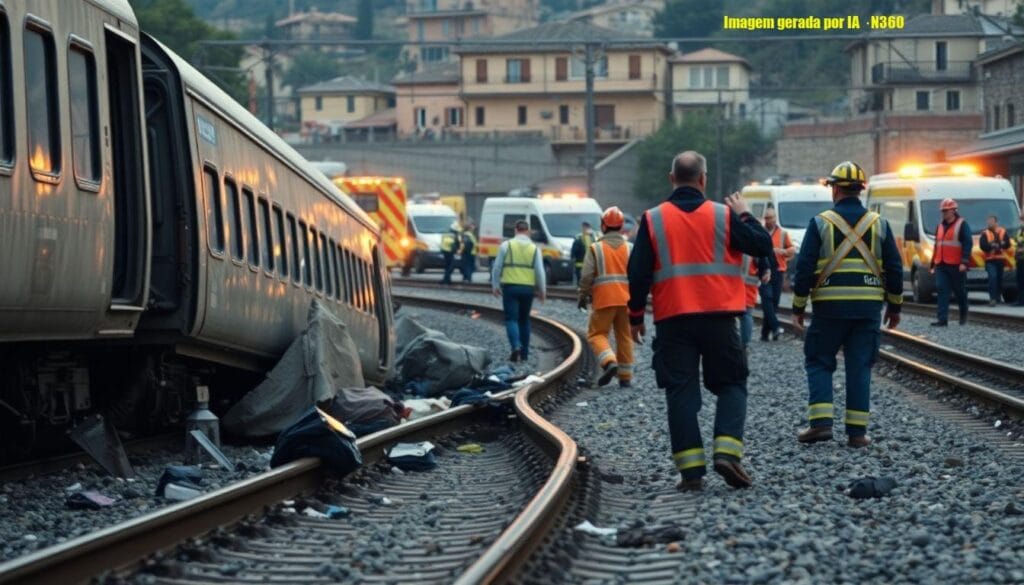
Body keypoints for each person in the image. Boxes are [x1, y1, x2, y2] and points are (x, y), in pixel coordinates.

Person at [628, 150, 772, 491]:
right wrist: (746, 214)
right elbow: (762, 244)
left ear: (672, 178)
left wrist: (635, 316)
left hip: (673, 320)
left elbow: (637, 274)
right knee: (733, 384)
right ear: (703, 180)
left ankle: (692, 473)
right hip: (720, 319)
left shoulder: (653, 219)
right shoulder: (724, 216)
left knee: (680, 393)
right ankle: (727, 452)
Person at [791, 161, 903, 449]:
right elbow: (894, 267)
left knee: (819, 359)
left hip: (830, 308)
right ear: (860, 191)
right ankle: (857, 433)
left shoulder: (820, 223)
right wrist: (895, 307)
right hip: (868, 309)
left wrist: (798, 307)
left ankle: (821, 424)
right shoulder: (880, 224)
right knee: (860, 365)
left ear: (836, 189)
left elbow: (803, 269)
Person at [578, 207, 634, 388]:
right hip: (627, 300)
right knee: (624, 336)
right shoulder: (630, 248)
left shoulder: (596, 248)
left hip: (604, 299)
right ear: (621, 226)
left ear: (603, 226)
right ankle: (625, 377)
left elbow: (587, 276)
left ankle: (609, 362)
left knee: (597, 334)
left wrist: (583, 295)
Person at [492, 220, 546, 363]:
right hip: (528, 289)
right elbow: (540, 272)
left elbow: (497, 267)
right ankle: (525, 354)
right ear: (528, 231)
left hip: (510, 287)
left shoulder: (506, 245)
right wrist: (542, 290)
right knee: (524, 320)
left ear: (515, 230)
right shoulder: (535, 248)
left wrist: (495, 285)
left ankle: (516, 346)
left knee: (511, 319)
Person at [929, 198, 971, 326]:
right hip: (941, 264)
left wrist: (964, 262)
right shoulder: (940, 226)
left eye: (946, 210)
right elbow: (937, 245)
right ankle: (942, 319)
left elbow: (967, 243)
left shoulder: (962, 224)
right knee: (942, 289)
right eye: (943, 211)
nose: (944, 213)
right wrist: (932, 264)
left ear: (953, 210)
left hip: (956, 265)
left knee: (959, 291)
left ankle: (964, 312)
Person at [760, 208, 796, 341]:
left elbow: (791, 249)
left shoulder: (782, 233)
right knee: (767, 300)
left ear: (775, 218)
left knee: (774, 302)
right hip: (763, 271)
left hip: (778, 270)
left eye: (771, 218)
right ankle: (775, 328)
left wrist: (781, 252)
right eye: (766, 218)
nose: (768, 220)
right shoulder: (760, 232)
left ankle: (765, 333)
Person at [980, 214, 1010, 306]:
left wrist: (1000, 244)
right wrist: (991, 245)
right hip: (990, 260)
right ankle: (992, 298)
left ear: (996, 222)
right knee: (992, 277)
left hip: (1000, 260)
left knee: (999, 279)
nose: (989, 223)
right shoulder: (985, 233)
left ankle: (997, 297)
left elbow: (1008, 244)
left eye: (991, 221)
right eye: (988, 221)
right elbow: (983, 245)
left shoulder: (1003, 231)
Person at [741, 255, 770, 347]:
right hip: (750, 284)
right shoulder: (755, 241)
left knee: (727, 316)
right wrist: (767, 270)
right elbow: (763, 260)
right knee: (746, 315)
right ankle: (744, 345)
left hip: (732, 283)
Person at [440, 221, 462, 285]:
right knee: (451, 267)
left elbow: (442, 243)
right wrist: (458, 251)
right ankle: (445, 280)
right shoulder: (455, 235)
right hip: (450, 252)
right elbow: (458, 244)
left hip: (444, 251)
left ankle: (447, 280)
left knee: (447, 267)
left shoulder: (445, 234)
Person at [1015, 210, 1024, 306]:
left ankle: (1021, 301)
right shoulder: (1020, 229)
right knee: (1020, 280)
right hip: (1019, 259)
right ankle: (1020, 300)